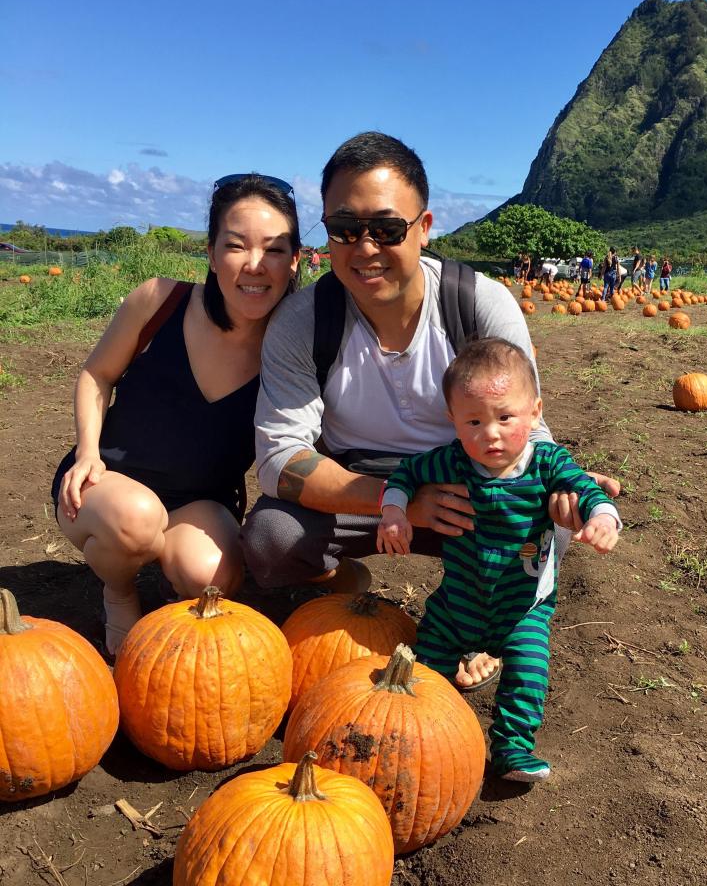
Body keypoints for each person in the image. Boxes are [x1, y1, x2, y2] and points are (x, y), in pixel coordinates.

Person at [242, 131, 620, 685]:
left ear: (423, 228)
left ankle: (487, 633)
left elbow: (526, 429)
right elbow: (279, 460)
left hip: (469, 484)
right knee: (272, 539)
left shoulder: (477, 305)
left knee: (545, 529)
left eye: (386, 229)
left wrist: (557, 481)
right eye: (345, 229)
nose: (364, 248)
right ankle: (343, 585)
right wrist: (400, 502)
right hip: (360, 486)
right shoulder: (304, 323)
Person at [52, 174, 301, 656]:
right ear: (210, 254)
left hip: (201, 502)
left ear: (294, 261)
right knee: (136, 521)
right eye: (235, 245)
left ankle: (167, 574)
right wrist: (86, 452)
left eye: (273, 249)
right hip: (107, 484)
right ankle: (119, 589)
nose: (255, 265)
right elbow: (96, 376)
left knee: (213, 576)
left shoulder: (292, 348)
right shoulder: (159, 302)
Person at [377, 338, 620, 783]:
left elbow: (585, 489)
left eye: (505, 417)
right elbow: (405, 475)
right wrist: (394, 511)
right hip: (458, 603)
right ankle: (422, 733)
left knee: (527, 672)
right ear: (452, 420)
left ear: (535, 411)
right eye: (473, 421)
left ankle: (512, 747)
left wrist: (603, 517)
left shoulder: (546, 462)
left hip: (522, 607)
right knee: (427, 663)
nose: (490, 433)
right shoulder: (452, 461)